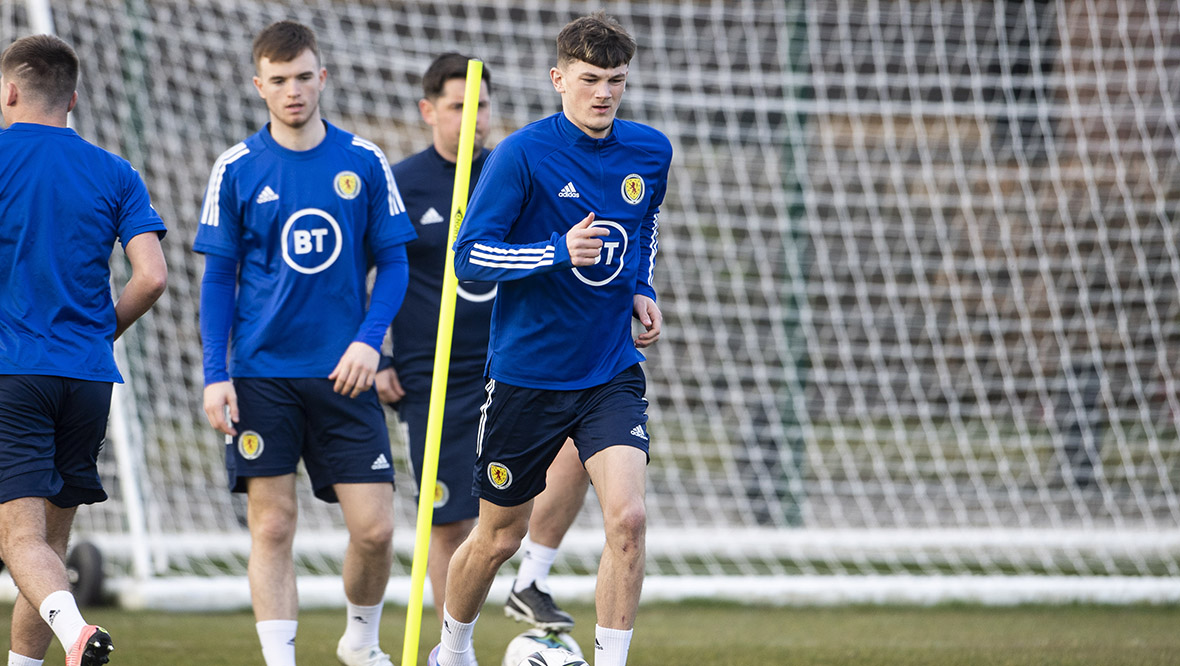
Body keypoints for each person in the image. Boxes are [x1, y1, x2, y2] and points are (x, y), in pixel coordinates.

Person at [429, 12, 671, 666]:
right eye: (589, 79)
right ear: (559, 78)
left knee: (629, 520)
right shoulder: (522, 155)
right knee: (496, 538)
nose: (603, 94)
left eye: (615, 81)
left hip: (609, 372)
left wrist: (642, 290)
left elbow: (642, 231)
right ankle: (452, 650)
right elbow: (469, 258)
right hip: (527, 377)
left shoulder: (650, 151)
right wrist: (555, 251)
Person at [194, 21, 415, 666]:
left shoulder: (364, 161)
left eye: (303, 77)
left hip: (346, 374)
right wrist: (216, 373)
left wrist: (370, 341)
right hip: (263, 376)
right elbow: (219, 280)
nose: (293, 91)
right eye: (279, 80)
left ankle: (360, 642)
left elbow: (395, 263)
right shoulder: (236, 168)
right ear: (259, 85)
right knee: (273, 525)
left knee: (375, 531)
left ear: (323, 77)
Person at [375, 53, 589, 630]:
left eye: (483, 106)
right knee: (448, 523)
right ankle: (455, 645)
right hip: (432, 375)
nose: (474, 118)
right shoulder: (400, 182)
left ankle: (529, 581)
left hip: (517, 364)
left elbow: (557, 255)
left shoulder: (515, 169)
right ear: (428, 111)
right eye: (458, 107)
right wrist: (378, 353)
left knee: (576, 456)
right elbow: (367, 272)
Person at [0, 34, 168, 666]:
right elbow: (151, 276)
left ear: (10, 90)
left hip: (12, 372)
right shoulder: (115, 171)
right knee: (50, 544)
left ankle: (76, 634)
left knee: (19, 539)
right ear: (71, 97)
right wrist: (99, 333)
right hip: (88, 377)